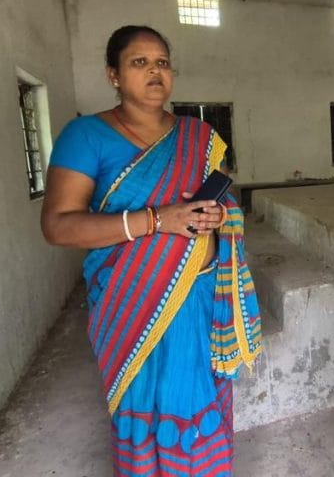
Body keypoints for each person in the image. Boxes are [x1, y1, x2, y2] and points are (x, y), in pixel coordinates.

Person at [41, 25, 262, 476]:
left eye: (161, 62)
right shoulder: (86, 135)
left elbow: (224, 202)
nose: (154, 71)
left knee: (197, 394)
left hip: (200, 297)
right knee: (147, 401)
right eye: (139, 62)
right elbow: (58, 226)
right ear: (114, 75)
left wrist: (219, 218)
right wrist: (157, 220)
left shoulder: (199, 135)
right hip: (131, 303)